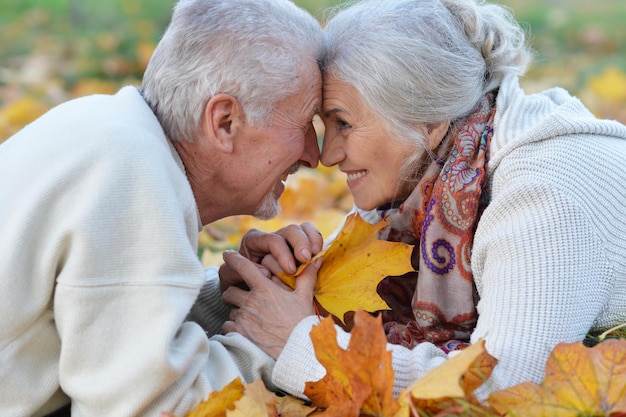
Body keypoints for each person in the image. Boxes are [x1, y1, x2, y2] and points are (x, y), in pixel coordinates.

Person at [219, 0, 626, 403]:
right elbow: (336, 302)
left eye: (343, 122)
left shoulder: (542, 193)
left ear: (427, 122)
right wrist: (261, 283)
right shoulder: (424, 183)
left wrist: (303, 348)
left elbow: (506, 385)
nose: (328, 155)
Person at [0, 0, 324, 415]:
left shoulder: (109, 130)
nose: (316, 156)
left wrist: (226, 299)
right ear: (225, 122)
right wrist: (269, 345)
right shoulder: (131, 178)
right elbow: (143, 407)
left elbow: (98, 336)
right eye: (304, 124)